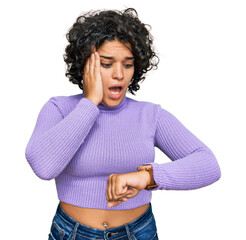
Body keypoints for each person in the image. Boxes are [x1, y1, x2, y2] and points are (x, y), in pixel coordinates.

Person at [25, 8, 221, 240]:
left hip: (138, 233)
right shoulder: (59, 109)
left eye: (128, 65)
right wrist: (89, 104)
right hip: (72, 233)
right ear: (85, 66)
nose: (119, 74)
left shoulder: (150, 115)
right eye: (106, 64)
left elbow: (208, 164)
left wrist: (147, 177)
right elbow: (43, 167)